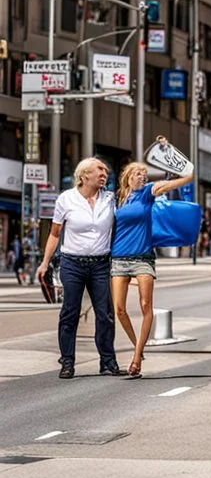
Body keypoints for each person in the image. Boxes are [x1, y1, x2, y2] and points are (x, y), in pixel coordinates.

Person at [36, 158, 123, 379]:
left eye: (105, 170)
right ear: (84, 176)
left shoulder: (110, 199)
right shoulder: (66, 199)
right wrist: (45, 263)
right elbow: (55, 234)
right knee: (70, 313)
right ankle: (67, 362)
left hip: (101, 264)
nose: (104, 174)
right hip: (72, 264)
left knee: (105, 314)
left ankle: (108, 362)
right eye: (99, 170)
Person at [111, 153, 196, 378]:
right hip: (118, 258)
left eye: (145, 174)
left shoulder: (148, 193)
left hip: (143, 258)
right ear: (128, 177)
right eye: (138, 173)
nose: (142, 177)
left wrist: (187, 172)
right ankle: (137, 345)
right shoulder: (118, 198)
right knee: (119, 309)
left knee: (146, 305)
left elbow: (182, 180)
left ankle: (137, 357)